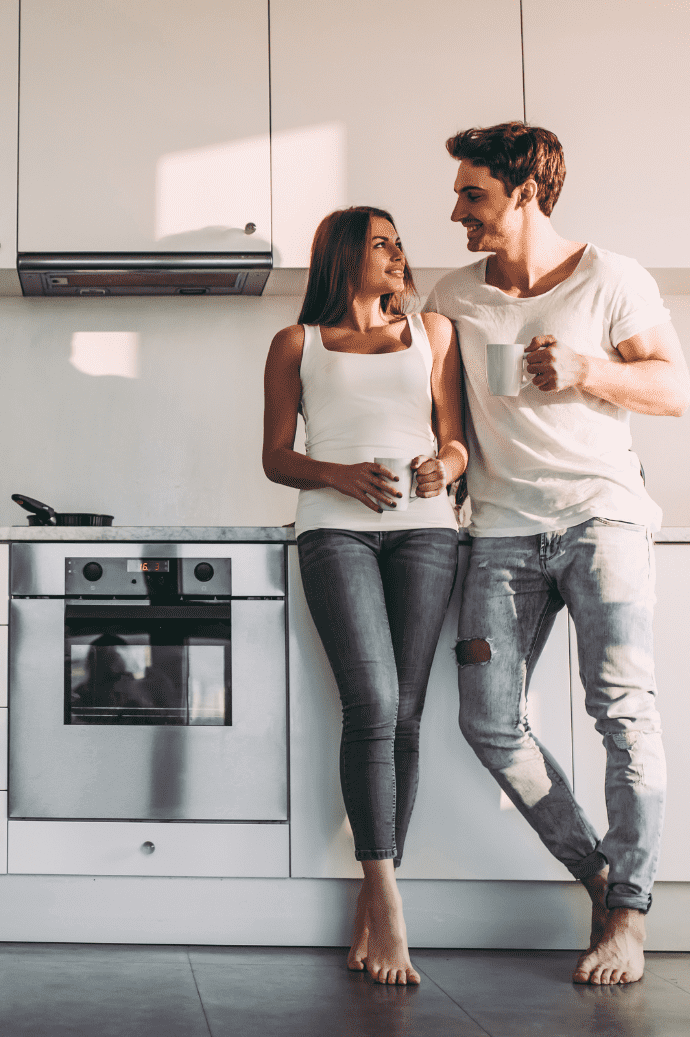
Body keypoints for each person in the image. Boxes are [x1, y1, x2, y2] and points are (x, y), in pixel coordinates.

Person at [425, 122, 690, 985]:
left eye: (474, 194)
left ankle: (627, 919)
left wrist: (588, 371)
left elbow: (673, 389)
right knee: (488, 719)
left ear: (526, 192)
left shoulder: (614, 277)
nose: (457, 210)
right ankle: (606, 879)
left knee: (622, 710)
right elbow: (447, 421)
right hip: (499, 530)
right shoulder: (454, 294)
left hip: (602, 520)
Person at [263, 206, 468, 985]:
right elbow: (277, 456)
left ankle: (374, 893)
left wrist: (441, 468)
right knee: (373, 705)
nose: (398, 253)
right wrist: (338, 474)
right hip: (333, 533)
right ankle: (386, 899)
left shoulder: (433, 334)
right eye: (382, 242)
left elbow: (456, 438)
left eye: (398, 243)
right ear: (345, 255)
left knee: (406, 715)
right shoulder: (298, 344)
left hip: (427, 531)